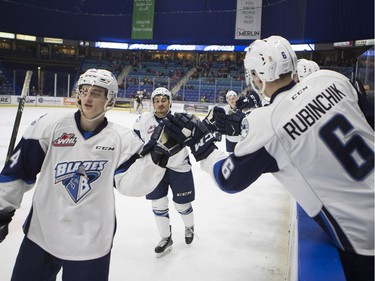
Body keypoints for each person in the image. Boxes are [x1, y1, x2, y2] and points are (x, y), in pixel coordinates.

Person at [162, 36, 374, 281]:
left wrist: (203, 147)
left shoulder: (266, 124)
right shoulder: (330, 79)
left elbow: (229, 179)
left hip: (364, 237)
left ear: (258, 76)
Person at [0, 69, 171, 281]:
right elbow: (17, 171)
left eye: (97, 93)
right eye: (84, 90)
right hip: (41, 235)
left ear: (109, 99)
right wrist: (1, 209)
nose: (88, 97)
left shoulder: (123, 139)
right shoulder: (49, 125)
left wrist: (154, 163)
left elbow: (129, 185)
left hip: (92, 244)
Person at [133, 87, 195, 258]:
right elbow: (136, 143)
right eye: (157, 100)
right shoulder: (143, 120)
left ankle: (189, 226)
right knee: (158, 205)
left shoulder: (179, 119)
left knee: (182, 205)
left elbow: (193, 138)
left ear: (170, 102)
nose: (160, 104)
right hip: (154, 169)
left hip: (179, 167)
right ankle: (166, 238)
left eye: (163, 100)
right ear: (152, 103)